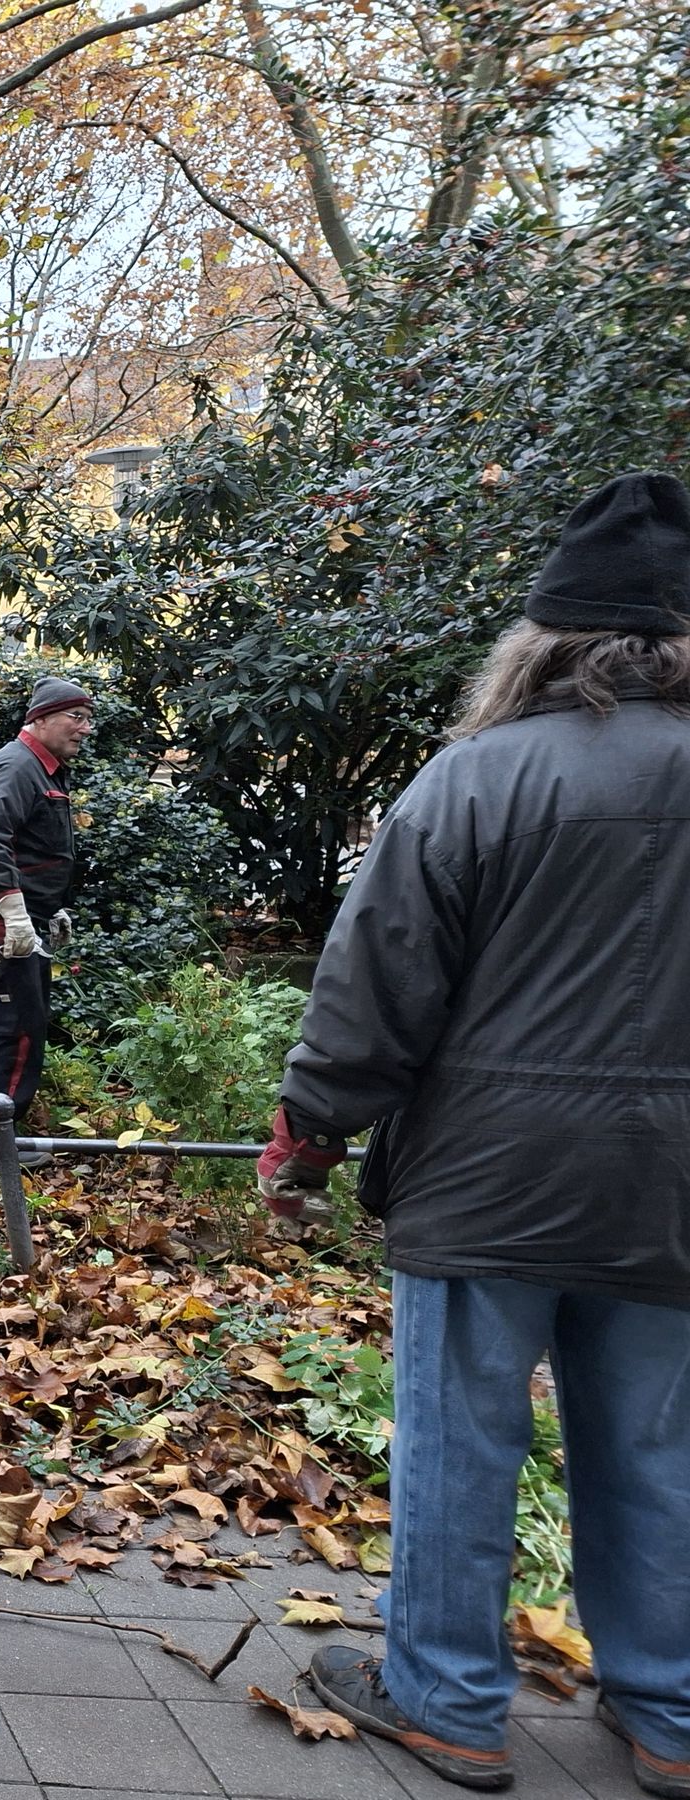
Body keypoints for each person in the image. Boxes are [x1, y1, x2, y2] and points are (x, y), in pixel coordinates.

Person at [259, 471, 690, 1796]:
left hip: (488, 1178)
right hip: (673, 1188)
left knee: (462, 1438)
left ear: (539, 643)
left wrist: (312, 1137)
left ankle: (449, 1699)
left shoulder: (477, 779)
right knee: (658, 1445)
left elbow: (378, 975)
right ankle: (670, 1715)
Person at [0, 676, 94, 1141]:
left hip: (10, 919)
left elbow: (31, 849)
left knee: (24, 1026)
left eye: (89, 720)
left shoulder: (41, 768)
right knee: (16, 1029)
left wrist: (49, 912)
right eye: (77, 717)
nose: (85, 729)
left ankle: (1, 1135)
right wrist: (13, 913)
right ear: (41, 718)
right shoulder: (16, 767)